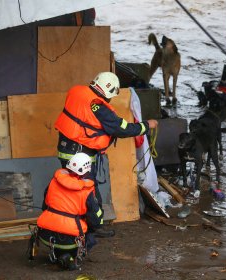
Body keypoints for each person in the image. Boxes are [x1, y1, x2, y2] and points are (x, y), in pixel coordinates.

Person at [54, 72, 158, 207]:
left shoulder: (76, 92)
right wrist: (146, 125)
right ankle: (93, 225)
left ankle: (74, 221)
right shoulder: (98, 106)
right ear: (108, 91)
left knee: (71, 188)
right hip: (79, 155)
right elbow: (122, 129)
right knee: (88, 193)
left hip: (66, 148)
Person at [35, 152, 103, 271]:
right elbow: (96, 221)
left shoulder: (54, 181)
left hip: (45, 234)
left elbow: (44, 206)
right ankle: (70, 256)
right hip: (69, 239)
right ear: (87, 171)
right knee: (90, 236)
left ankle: (58, 255)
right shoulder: (86, 191)